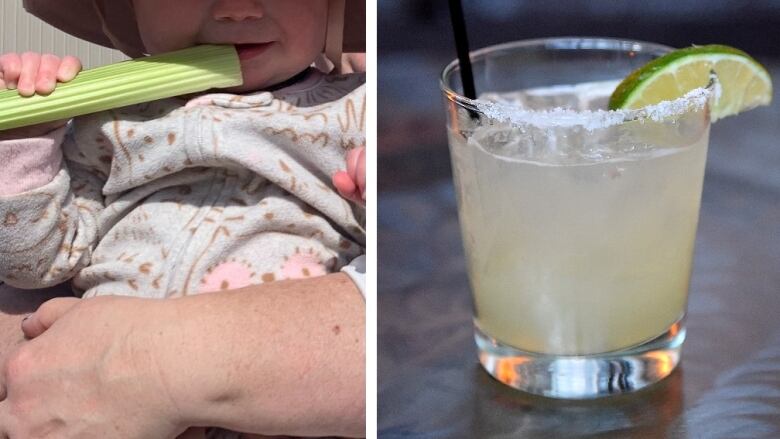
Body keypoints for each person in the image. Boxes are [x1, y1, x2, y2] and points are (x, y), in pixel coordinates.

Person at [0, 0, 366, 437]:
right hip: (93, 409)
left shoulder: (357, 111)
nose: (237, 10)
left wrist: (371, 195)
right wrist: (26, 141)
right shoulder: (105, 121)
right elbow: (35, 266)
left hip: (283, 406)